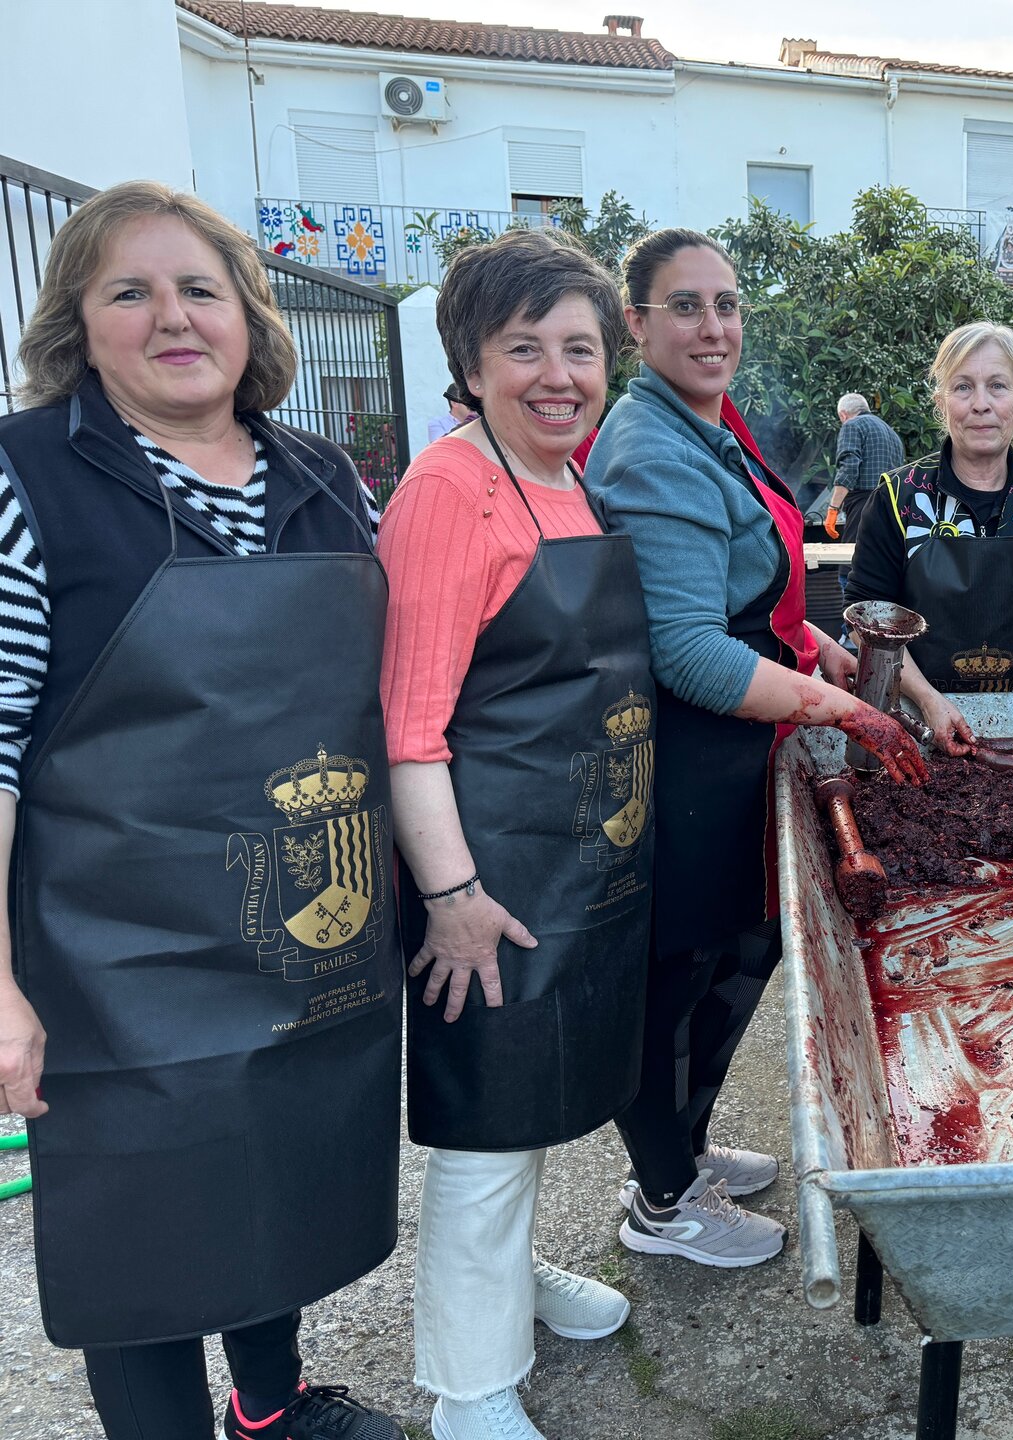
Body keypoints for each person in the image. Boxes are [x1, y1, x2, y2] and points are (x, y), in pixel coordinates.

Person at [0, 182, 402, 1439]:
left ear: (247, 316)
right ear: (79, 321)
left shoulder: (327, 475)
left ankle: (272, 1409)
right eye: (130, 290)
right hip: (121, 955)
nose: (172, 316)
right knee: (147, 1240)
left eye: (199, 289)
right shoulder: (25, 480)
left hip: (301, 922)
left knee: (279, 1172)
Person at [587, 228, 925, 1269]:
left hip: (741, 741)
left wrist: (817, 648)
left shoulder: (709, 427)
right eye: (686, 306)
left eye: (728, 305)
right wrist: (849, 712)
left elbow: (756, 593)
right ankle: (662, 1200)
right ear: (636, 324)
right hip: (688, 754)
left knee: (745, 949)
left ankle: (683, 1149)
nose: (715, 326)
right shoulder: (649, 449)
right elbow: (687, 650)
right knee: (682, 972)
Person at [378, 230, 650, 1440]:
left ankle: (512, 1288)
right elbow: (408, 723)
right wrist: (450, 894)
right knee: (487, 1124)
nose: (557, 373)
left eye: (579, 348)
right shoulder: (450, 485)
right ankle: (466, 1386)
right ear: (472, 363)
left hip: (580, 852)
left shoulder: (571, 476)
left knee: (538, 1098)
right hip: (489, 863)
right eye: (522, 347)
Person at [844, 322, 1013, 758]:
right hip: (915, 722)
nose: (981, 405)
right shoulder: (899, 498)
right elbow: (869, 617)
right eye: (963, 387)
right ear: (941, 401)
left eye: (998, 386)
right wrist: (928, 701)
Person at [823, 391, 903, 540]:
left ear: (843, 415)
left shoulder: (851, 425)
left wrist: (833, 508)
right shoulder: (891, 433)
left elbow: (849, 467)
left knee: (852, 557)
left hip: (864, 503)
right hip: (891, 507)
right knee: (878, 559)